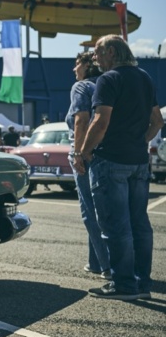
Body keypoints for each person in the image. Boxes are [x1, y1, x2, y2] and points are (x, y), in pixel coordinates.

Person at [75, 35, 163, 300]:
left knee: (116, 225)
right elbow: (157, 121)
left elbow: (99, 121)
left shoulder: (108, 79)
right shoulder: (145, 77)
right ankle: (142, 282)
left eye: (98, 53)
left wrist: (84, 152)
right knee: (140, 224)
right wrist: (139, 141)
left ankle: (123, 284)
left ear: (111, 52)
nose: (95, 58)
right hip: (138, 161)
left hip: (110, 161)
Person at [66, 51, 110, 279]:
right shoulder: (107, 84)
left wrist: (78, 154)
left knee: (90, 212)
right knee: (105, 209)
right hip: (108, 154)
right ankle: (95, 261)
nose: (74, 69)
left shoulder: (81, 87)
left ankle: (107, 267)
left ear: (87, 66)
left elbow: (81, 120)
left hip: (86, 154)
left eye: (77, 64)